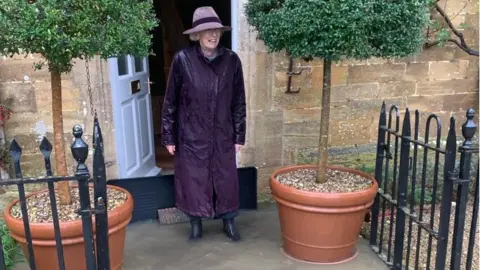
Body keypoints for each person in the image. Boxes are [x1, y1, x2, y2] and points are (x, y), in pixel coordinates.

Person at [161, 6, 246, 242]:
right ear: (196, 35)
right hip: (191, 135)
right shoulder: (182, 60)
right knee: (193, 181)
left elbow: (239, 102)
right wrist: (169, 137)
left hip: (223, 134)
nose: (212, 35)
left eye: (216, 30)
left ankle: (229, 221)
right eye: (206, 30)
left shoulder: (231, 60)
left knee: (226, 180)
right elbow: (170, 102)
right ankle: (195, 224)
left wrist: (239, 136)